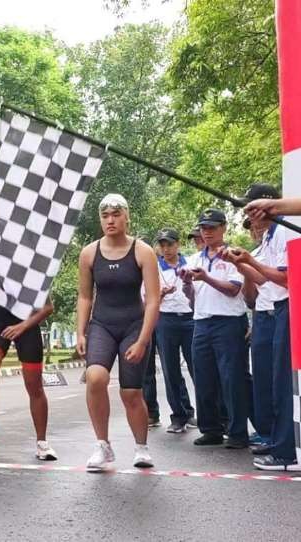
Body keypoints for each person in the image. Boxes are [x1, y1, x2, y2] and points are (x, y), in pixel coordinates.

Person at [76, 194, 160, 471]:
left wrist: (143, 339)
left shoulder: (143, 251)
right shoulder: (89, 253)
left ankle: (141, 448)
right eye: (105, 216)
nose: (110, 220)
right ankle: (103, 445)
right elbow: (85, 297)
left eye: (115, 214)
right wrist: (80, 333)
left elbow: (152, 300)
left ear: (127, 216)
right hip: (102, 324)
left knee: (131, 393)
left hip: (133, 326)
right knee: (95, 377)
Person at [226, 183, 296, 471]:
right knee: (273, 383)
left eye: (251, 207)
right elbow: (265, 281)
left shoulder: (284, 232)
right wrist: (241, 265)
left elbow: (285, 278)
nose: (248, 214)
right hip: (275, 309)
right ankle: (279, 441)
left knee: (283, 382)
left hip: (287, 307)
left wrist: (249, 260)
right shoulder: (269, 237)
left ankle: (287, 451)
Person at [183, 208, 251, 449]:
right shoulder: (194, 260)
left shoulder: (233, 255)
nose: (207, 232)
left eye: (212, 227)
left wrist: (206, 278)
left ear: (223, 227)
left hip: (228, 322)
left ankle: (238, 432)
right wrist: (187, 283)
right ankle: (211, 428)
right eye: (204, 228)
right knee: (203, 378)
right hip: (201, 322)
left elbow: (234, 289)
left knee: (232, 379)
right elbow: (192, 298)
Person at [0, 285, 58, 461]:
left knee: (34, 386)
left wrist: (22, 326)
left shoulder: (32, 261)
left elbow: (48, 307)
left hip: (28, 322)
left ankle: (42, 443)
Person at [143, 228, 197, 434]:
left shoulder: (192, 263)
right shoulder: (154, 269)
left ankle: (211, 415)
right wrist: (161, 295)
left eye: (170, 244)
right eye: (162, 245)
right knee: (170, 370)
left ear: (178, 244)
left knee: (198, 369)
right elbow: (146, 298)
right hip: (165, 320)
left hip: (191, 318)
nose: (166, 249)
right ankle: (178, 415)